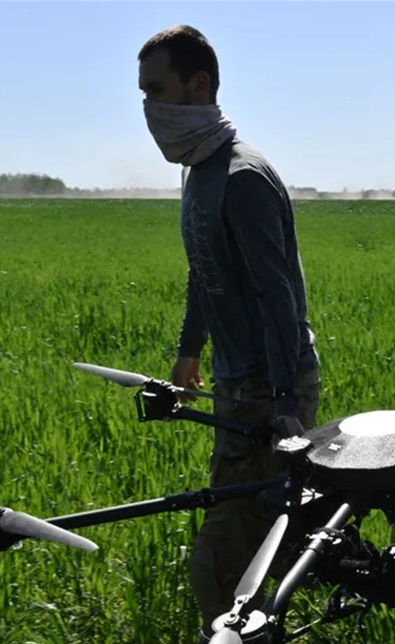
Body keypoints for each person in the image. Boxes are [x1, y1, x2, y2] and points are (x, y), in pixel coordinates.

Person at [136, 24, 323, 634]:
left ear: (200, 86)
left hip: (267, 385)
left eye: (158, 90)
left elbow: (278, 296)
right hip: (237, 381)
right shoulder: (198, 172)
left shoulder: (242, 177)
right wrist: (189, 352)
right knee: (256, 535)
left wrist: (284, 403)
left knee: (221, 559)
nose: (149, 108)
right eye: (143, 94)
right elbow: (205, 269)